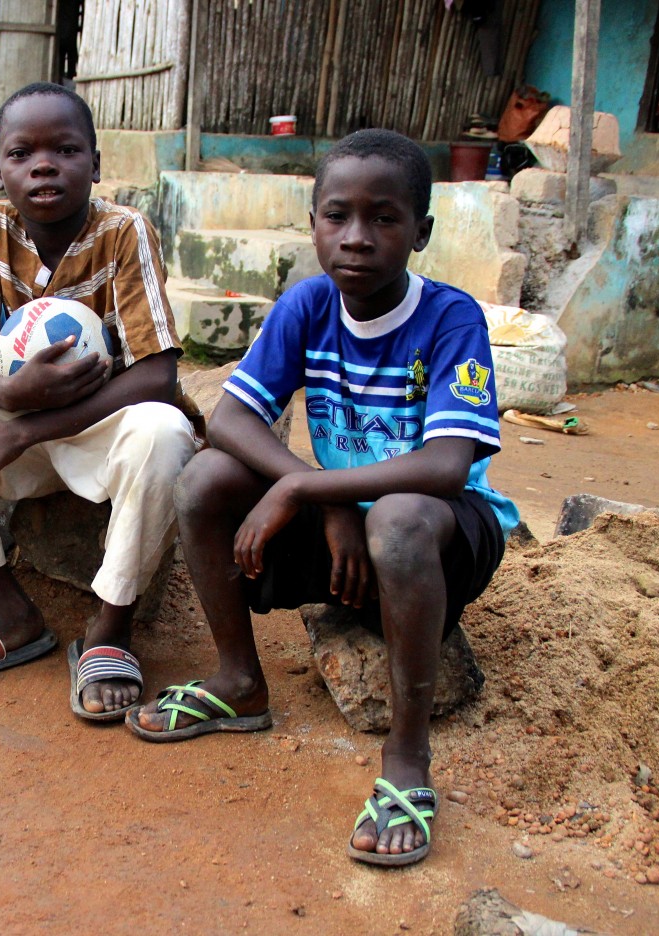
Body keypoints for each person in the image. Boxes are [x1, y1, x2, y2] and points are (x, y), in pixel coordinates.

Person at [127, 129, 520, 868]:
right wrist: (327, 503)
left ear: (421, 232)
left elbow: (443, 465)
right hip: (347, 535)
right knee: (205, 478)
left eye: (384, 219)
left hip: (440, 538)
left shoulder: (450, 317)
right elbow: (232, 416)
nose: (357, 238)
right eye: (336, 216)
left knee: (399, 518)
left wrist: (305, 484)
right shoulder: (307, 305)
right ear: (311, 224)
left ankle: (406, 757)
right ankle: (238, 682)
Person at [0, 83, 196, 720]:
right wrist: (8, 397)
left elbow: (157, 375)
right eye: (22, 153)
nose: (44, 165)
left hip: (97, 432)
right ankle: (9, 611)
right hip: (18, 425)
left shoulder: (125, 231)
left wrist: (24, 430)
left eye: (65, 149)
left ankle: (109, 629)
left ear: (96, 164)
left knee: (164, 431)